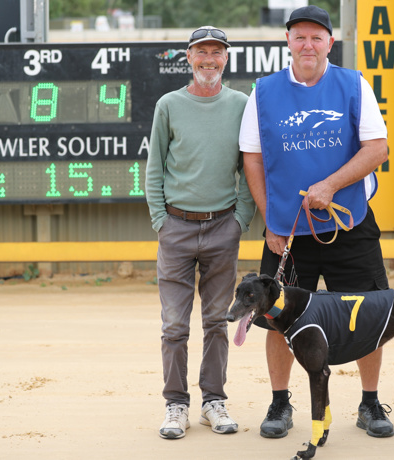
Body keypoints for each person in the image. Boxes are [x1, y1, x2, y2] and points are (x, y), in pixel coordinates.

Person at [238, 5, 394, 440]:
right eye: (299, 37)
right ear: (288, 41)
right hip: (287, 232)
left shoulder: (353, 84)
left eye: (316, 37)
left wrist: (329, 184)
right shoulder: (263, 92)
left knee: (369, 314)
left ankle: (369, 402)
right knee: (274, 318)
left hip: (349, 225)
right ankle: (280, 402)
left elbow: (378, 148)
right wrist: (271, 219)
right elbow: (252, 158)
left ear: (329, 42)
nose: (308, 44)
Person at [145, 26, 256, 440]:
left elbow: (249, 167)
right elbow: (155, 166)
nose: (209, 59)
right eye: (201, 52)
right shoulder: (168, 105)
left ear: (226, 59)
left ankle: (214, 401)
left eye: (217, 53)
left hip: (222, 227)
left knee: (216, 321)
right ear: (188, 58)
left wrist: (240, 220)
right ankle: (176, 405)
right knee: (174, 326)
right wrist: (161, 220)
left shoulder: (242, 105)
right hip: (175, 228)